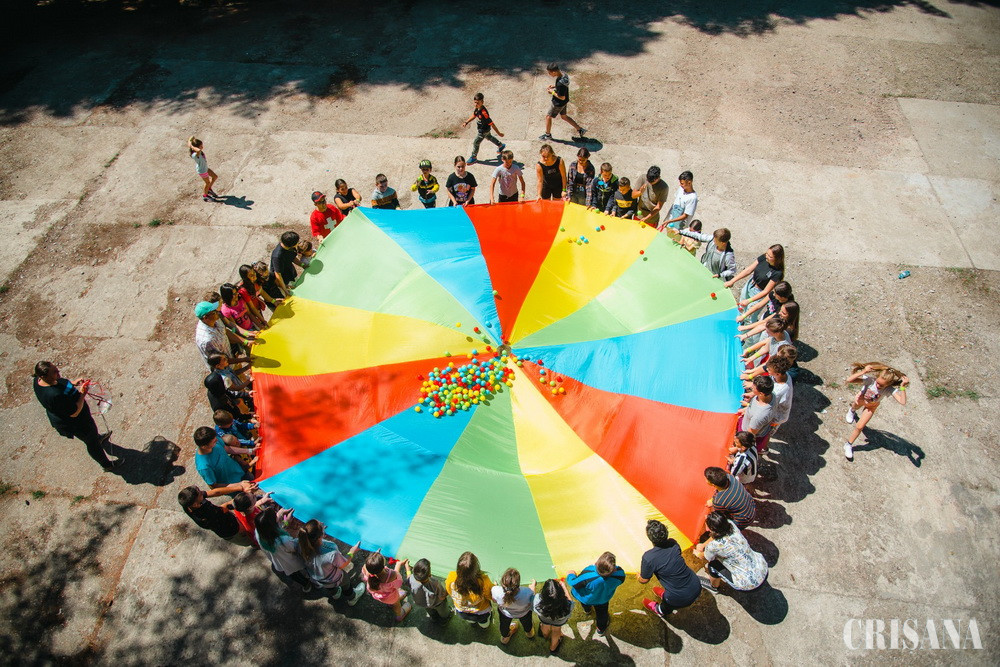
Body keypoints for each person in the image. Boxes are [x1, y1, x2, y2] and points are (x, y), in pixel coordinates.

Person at [32, 361, 120, 471]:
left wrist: (73, 383)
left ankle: (97, 438)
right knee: (91, 443)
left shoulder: (39, 380)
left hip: (82, 416)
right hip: (76, 423)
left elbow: (60, 385)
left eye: (56, 369)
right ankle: (107, 465)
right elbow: (75, 412)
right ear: (44, 376)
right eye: (54, 372)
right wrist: (82, 393)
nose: (58, 372)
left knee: (93, 434)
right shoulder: (54, 395)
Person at [843, 362, 910, 461]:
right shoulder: (870, 381)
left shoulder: (889, 389)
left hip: (871, 406)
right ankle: (852, 410)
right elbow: (849, 380)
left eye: (881, 385)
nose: (878, 385)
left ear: (888, 384)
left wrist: (903, 386)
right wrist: (863, 371)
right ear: (877, 377)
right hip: (861, 399)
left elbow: (902, 401)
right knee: (855, 405)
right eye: (878, 382)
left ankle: (848, 444)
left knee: (860, 426)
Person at [693, 511, 768, 593]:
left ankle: (713, 587)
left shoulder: (714, 546)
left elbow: (705, 556)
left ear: (711, 529)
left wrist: (697, 553)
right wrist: (703, 545)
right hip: (763, 568)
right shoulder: (731, 525)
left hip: (748, 584)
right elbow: (717, 534)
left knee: (713, 565)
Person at [638, 520, 701, 617]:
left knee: (667, 607)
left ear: (649, 537)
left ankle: (659, 609)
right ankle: (666, 595)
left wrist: (639, 577)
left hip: (679, 598)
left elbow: (644, 580)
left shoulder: (648, 557)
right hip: (696, 585)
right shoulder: (673, 543)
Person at [298, 519, 365, 605]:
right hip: (335, 578)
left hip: (320, 579)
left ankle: (335, 593)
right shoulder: (331, 553)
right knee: (346, 584)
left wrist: (320, 531)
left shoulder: (301, 545)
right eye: (321, 525)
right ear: (320, 536)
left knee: (330, 587)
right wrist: (351, 552)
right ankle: (352, 597)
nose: (323, 523)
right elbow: (343, 564)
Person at [566, 552, 625, 638]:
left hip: (586, 598)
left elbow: (574, 583)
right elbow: (621, 581)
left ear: (596, 564)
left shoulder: (589, 574)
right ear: (613, 570)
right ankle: (600, 630)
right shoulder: (619, 574)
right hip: (603, 599)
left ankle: (587, 610)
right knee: (602, 614)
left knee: (585, 604)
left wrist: (571, 575)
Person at [725, 244, 785, 325]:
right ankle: (740, 321)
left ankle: (746, 330)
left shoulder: (777, 273)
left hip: (759, 293)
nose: (766, 256)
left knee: (750, 315)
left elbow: (766, 291)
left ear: (777, 259)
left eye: (770, 256)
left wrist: (749, 300)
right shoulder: (764, 257)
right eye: (767, 253)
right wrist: (732, 281)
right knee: (741, 307)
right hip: (750, 285)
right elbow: (749, 269)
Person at [255, 506, 312, 591]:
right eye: (276, 515)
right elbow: (295, 547)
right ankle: (307, 584)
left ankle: (305, 585)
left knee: (292, 574)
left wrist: (284, 517)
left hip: (280, 562)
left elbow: (281, 526)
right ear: (274, 523)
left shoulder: (259, 532)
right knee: (297, 572)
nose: (277, 515)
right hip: (291, 561)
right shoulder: (283, 541)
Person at [177, 486, 253, 546]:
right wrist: (246, 496)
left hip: (224, 519)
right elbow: (226, 507)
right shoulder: (207, 514)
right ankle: (254, 544)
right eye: (200, 494)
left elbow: (215, 492)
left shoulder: (188, 503)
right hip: (232, 530)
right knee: (249, 538)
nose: (202, 492)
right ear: (195, 504)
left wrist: (240, 487)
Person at [193, 426, 254, 497]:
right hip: (234, 488)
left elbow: (226, 448)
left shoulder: (214, 439)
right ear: (204, 446)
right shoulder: (204, 467)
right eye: (214, 441)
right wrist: (240, 485)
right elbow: (214, 485)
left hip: (240, 471)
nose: (217, 440)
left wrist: (249, 451)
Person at [194, 301, 251, 370]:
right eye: (214, 312)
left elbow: (225, 331)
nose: (217, 312)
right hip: (225, 368)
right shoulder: (207, 340)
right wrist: (244, 360)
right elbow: (220, 361)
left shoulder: (214, 319)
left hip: (230, 356)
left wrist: (245, 341)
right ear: (205, 318)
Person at [445, 551, 493, 627]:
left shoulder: (451, 577)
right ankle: (484, 625)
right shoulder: (484, 581)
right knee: (484, 623)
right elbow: (490, 596)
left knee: (470, 620)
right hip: (481, 612)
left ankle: (472, 622)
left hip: (462, 611)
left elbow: (449, 591)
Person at [539, 63, 585, 141]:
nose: (549, 74)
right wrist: (555, 86)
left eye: (549, 73)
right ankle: (580, 130)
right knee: (564, 117)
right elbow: (563, 87)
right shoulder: (564, 75)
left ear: (554, 72)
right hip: (564, 102)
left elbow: (562, 97)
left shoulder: (560, 84)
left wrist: (552, 92)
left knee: (548, 117)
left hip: (558, 103)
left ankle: (548, 135)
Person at [362, 552, 411, 622]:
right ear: (383, 564)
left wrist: (373, 559)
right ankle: (400, 615)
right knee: (396, 604)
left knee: (390, 601)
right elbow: (399, 584)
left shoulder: (368, 573)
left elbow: (368, 567)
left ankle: (390, 604)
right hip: (391, 597)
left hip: (381, 596)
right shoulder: (391, 575)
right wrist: (398, 564)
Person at [491, 568, 536, 644]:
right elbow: (532, 599)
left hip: (505, 613)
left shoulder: (495, 590)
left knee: (504, 625)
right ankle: (529, 633)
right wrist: (533, 587)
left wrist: (495, 586)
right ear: (518, 584)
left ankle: (505, 637)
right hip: (524, 613)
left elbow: (494, 600)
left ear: (502, 582)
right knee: (527, 622)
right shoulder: (527, 592)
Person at [533, 578, 574, 653]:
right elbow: (570, 601)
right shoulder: (567, 605)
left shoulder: (537, 600)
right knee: (556, 630)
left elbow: (532, 599)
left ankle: (545, 635)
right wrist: (564, 587)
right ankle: (553, 647)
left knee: (545, 625)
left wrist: (533, 586)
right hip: (559, 620)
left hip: (544, 618)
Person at [463, 92, 505, 165]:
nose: (476, 104)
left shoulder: (484, 113)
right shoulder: (477, 108)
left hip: (483, 131)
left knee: (476, 142)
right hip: (484, 130)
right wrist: (466, 122)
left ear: (482, 102)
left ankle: (474, 157)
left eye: (478, 103)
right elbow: (474, 115)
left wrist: (499, 133)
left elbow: (492, 124)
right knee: (489, 137)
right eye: (475, 102)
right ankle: (500, 145)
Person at [738, 375, 776, 451]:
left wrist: (738, 447)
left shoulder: (759, 416)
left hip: (747, 431)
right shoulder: (772, 394)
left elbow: (748, 435)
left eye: (753, 388)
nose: (751, 387)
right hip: (755, 425)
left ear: (761, 393)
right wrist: (747, 408)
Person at [188, 136, 218, 202]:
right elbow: (198, 150)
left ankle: (208, 189)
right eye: (201, 146)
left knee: (215, 177)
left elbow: (190, 142)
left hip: (205, 168)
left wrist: (190, 141)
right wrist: (192, 146)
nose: (202, 147)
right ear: (196, 148)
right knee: (207, 182)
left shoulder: (198, 152)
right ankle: (205, 196)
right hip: (202, 171)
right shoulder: (195, 154)